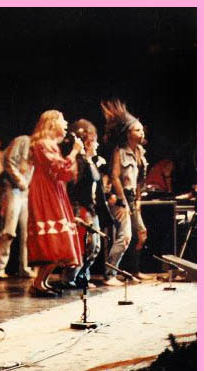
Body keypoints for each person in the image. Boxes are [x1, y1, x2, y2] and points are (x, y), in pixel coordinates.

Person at [27, 110, 83, 296]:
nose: (66, 124)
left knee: (59, 239)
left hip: (54, 190)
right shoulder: (42, 144)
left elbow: (65, 173)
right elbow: (58, 168)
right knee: (55, 241)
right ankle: (38, 283)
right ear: (51, 123)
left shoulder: (50, 145)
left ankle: (41, 282)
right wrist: (74, 152)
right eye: (62, 120)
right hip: (45, 192)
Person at [61, 119, 113, 289]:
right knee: (85, 245)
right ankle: (71, 277)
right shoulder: (79, 162)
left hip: (91, 208)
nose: (97, 145)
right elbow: (73, 186)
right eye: (94, 141)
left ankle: (82, 276)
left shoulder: (90, 162)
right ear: (88, 142)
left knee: (94, 246)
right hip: (81, 207)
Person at [101, 100, 149, 284]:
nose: (141, 132)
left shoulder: (140, 152)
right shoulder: (119, 152)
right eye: (137, 130)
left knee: (141, 233)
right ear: (128, 133)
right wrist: (123, 201)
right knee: (125, 236)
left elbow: (140, 180)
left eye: (142, 130)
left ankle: (134, 270)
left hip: (133, 197)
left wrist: (137, 200)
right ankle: (110, 273)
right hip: (120, 197)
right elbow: (115, 177)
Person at [0, 135, 35, 279]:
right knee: (9, 230)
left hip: (24, 191)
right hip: (13, 189)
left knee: (26, 232)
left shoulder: (39, 147)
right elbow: (9, 160)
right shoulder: (24, 141)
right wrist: (20, 181)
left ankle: (25, 267)